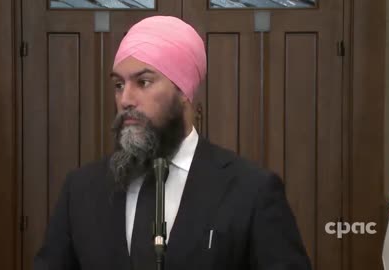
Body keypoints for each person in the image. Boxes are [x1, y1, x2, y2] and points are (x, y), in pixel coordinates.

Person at [34, 15, 311, 270]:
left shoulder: (251, 190)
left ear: (184, 91)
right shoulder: (81, 189)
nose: (126, 99)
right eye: (119, 85)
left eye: (143, 82)